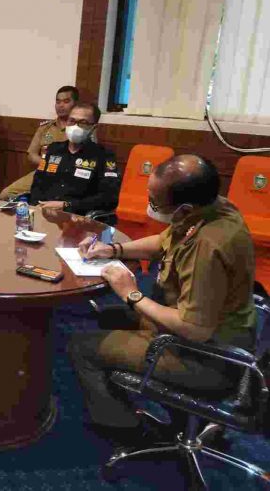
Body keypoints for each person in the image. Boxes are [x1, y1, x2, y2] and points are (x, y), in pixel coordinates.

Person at [68, 155, 256, 446]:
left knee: (82, 346)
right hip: (215, 332)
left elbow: (194, 329)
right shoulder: (212, 208)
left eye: (154, 202)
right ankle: (179, 414)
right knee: (110, 317)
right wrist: (114, 249)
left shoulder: (208, 247)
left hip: (206, 357)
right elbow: (164, 242)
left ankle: (127, 431)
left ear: (184, 209)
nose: (149, 205)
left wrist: (132, 294)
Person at [28, 102, 120, 215]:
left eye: (83, 123)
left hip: (79, 217)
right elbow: (38, 183)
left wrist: (67, 205)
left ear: (93, 127)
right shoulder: (53, 149)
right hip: (44, 213)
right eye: (72, 121)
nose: (75, 126)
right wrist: (37, 206)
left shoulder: (104, 156)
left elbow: (109, 198)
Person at [0, 86, 79, 201]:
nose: (61, 105)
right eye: (58, 102)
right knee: (6, 194)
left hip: (69, 176)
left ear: (75, 104)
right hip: (44, 172)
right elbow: (31, 154)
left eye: (66, 101)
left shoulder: (80, 129)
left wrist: (61, 167)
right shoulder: (45, 128)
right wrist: (48, 165)